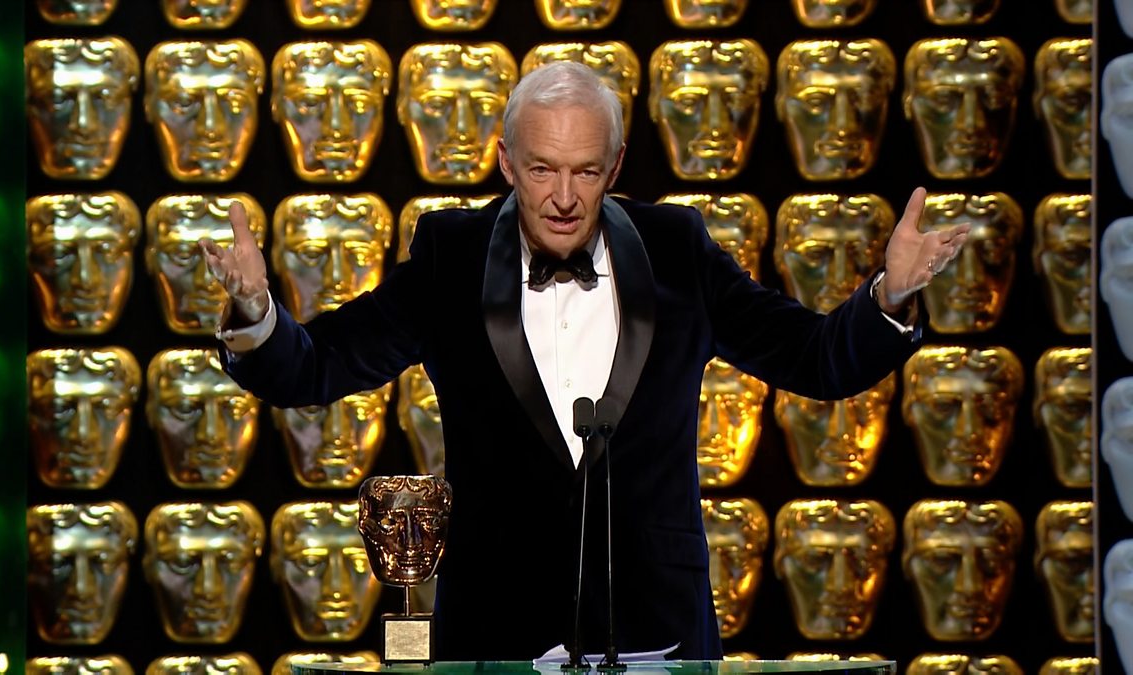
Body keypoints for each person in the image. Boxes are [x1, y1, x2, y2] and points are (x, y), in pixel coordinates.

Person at [201, 61, 968, 661]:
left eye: (586, 171)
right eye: (542, 169)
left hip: (656, 632)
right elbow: (316, 367)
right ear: (506, 161)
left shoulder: (678, 250)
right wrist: (255, 312)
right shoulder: (449, 256)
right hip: (495, 635)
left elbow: (817, 359)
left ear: (617, 164)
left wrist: (891, 294)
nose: (564, 196)